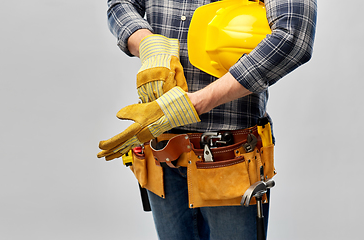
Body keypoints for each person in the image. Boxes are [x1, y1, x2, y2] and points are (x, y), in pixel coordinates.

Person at [99, 0, 317, 239]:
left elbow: (294, 36)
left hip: (230, 158)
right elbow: (122, 3)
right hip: (161, 152)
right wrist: (147, 43)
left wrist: (197, 103)